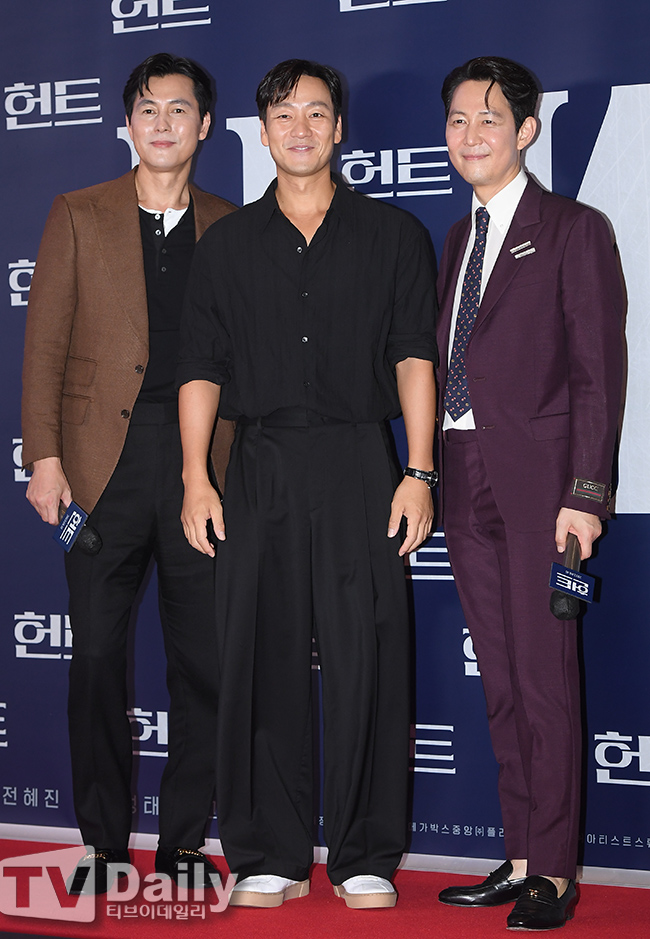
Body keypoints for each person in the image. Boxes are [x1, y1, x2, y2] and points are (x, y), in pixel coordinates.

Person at [177, 58, 437, 910]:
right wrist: (196, 476)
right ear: (261, 133)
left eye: (316, 113)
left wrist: (418, 470)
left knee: (368, 656)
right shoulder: (225, 246)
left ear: (339, 128)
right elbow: (200, 367)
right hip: (259, 465)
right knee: (261, 653)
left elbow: (414, 356)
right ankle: (270, 852)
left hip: (362, 460)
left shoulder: (393, 235)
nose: (300, 127)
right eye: (284, 114)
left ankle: (366, 853)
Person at [21, 52, 235, 895]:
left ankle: (183, 843)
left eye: (179, 109)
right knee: (97, 662)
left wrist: (226, 473)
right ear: (127, 123)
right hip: (98, 471)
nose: (162, 122)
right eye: (148, 108)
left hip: (199, 473)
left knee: (203, 665)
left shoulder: (230, 225)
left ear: (204, 125)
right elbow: (44, 345)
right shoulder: (78, 212)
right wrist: (44, 458)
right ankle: (103, 845)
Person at [435, 56, 624, 930]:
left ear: (526, 130)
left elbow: (598, 374)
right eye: (457, 120)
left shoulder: (574, 229)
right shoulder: (458, 236)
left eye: (488, 118)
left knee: (545, 680)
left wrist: (585, 492)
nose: (470, 135)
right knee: (503, 679)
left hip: (544, 487)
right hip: (463, 475)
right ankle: (518, 856)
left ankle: (553, 869)